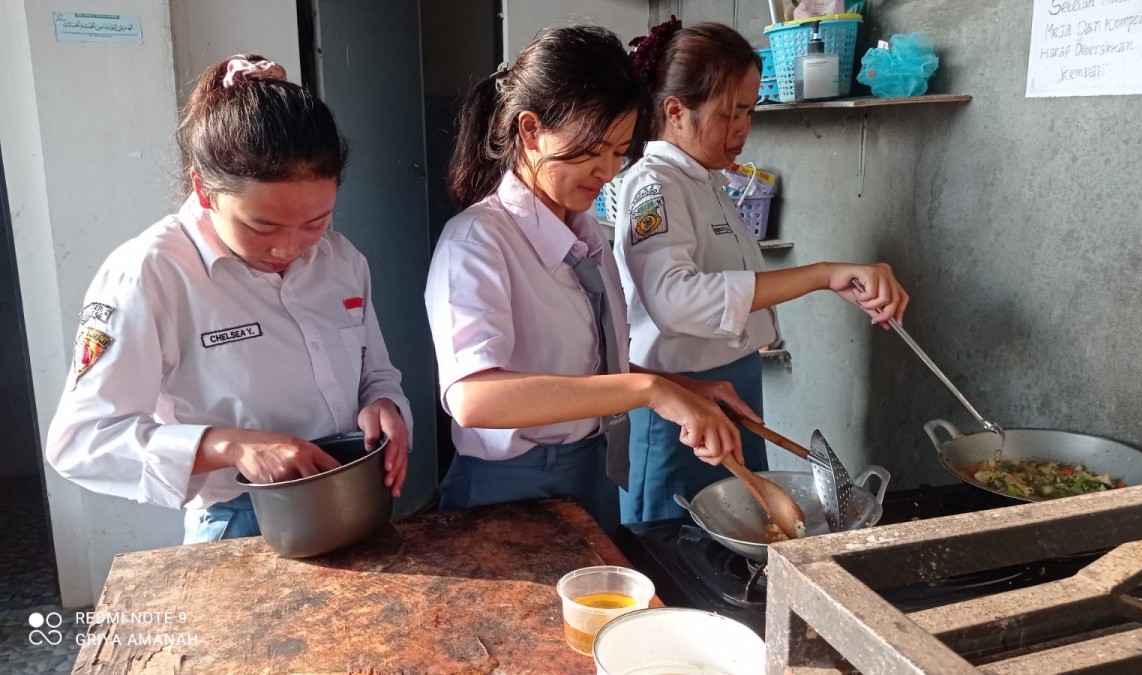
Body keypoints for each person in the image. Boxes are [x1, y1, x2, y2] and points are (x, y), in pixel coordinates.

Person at [45, 54, 413, 543]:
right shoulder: (150, 273)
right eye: (261, 227)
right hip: (241, 522)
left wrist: (385, 402)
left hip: (354, 500)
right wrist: (231, 446)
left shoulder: (341, 260)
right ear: (204, 188)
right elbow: (81, 441)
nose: (289, 248)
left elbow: (376, 372)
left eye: (316, 222)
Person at [424, 26, 758, 534]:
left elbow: (590, 366)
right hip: (509, 489)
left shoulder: (586, 236)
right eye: (591, 149)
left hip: (592, 470)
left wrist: (683, 387)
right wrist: (646, 389)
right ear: (531, 130)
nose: (606, 170)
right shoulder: (477, 241)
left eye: (619, 151)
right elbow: (474, 398)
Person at [616, 19, 910, 523]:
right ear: (674, 111)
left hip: (733, 386)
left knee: (745, 527)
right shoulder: (653, 186)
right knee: (672, 546)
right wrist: (821, 274)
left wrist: (761, 328)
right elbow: (674, 299)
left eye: (750, 111)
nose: (742, 129)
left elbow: (727, 284)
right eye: (730, 113)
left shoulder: (708, 180)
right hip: (679, 397)